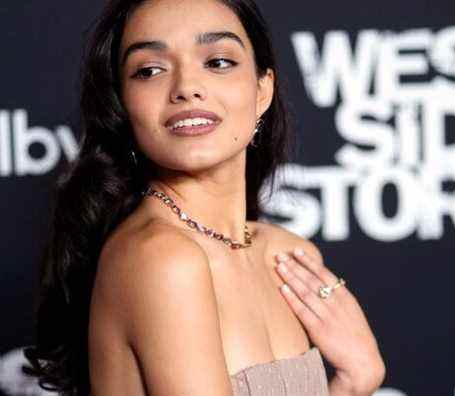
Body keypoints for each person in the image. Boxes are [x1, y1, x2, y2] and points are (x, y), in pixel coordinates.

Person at [23, 0, 385, 395]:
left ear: (262, 89)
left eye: (217, 62)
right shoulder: (161, 259)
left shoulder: (287, 257)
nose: (186, 88)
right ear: (123, 106)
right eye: (150, 70)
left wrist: (357, 377)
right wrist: (353, 388)